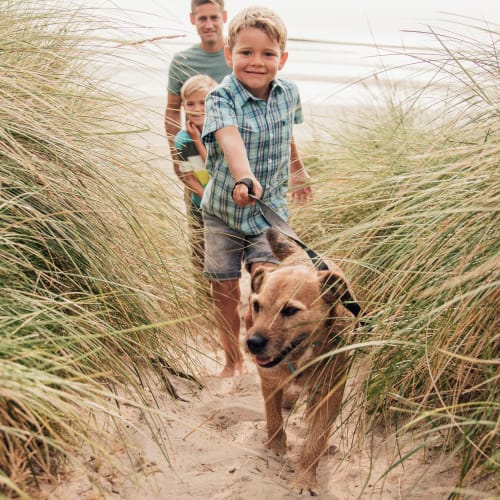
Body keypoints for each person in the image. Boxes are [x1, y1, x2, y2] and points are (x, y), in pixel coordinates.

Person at [200, 6, 313, 377]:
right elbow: (229, 139)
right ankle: (232, 361)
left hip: (270, 211)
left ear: (281, 58)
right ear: (230, 54)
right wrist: (243, 178)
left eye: (267, 54)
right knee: (225, 288)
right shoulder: (220, 98)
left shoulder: (289, 93)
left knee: (269, 281)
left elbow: (287, 135)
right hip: (224, 211)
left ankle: (267, 347)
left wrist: (297, 169)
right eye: (246, 53)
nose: (256, 62)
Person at [165, 0, 230, 204]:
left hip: (229, 157)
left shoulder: (236, 57)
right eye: (202, 18)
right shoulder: (182, 61)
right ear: (193, 19)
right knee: (197, 223)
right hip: (193, 154)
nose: (209, 25)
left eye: (214, 18)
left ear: (224, 17)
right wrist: (176, 154)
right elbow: (172, 110)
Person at [174, 74, 218, 271]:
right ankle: (203, 296)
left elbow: (215, 167)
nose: (197, 109)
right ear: (183, 106)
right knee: (200, 250)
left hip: (225, 201)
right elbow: (187, 176)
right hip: (199, 202)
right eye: (190, 104)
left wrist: (198, 140)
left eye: (203, 102)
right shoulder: (183, 139)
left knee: (224, 250)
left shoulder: (221, 133)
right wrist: (204, 197)